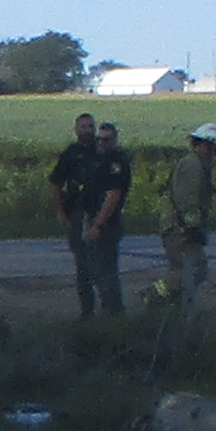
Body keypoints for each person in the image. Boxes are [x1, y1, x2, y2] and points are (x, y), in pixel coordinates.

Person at [48, 113, 132, 318]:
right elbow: (56, 181)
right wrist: (62, 211)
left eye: (90, 127)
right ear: (76, 129)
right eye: (83, 127)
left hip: (101, 220)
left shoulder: (110, 158)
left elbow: (113, 194)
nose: (88, 131)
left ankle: (113, 316)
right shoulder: (72, 153)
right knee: (83, 269)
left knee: (105, 270)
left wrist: (98, 225)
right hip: (79, 214)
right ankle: (87, 314)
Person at [157, 122, 216, 321]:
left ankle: (174, 310)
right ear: (205, 145)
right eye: (215, 148)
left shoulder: (195, 164)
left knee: (186, 270)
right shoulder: (193, 165)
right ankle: (155, 296)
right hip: (180, 230)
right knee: (194, 268)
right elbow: (189, 200)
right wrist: (192, 226)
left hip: (179, 228)